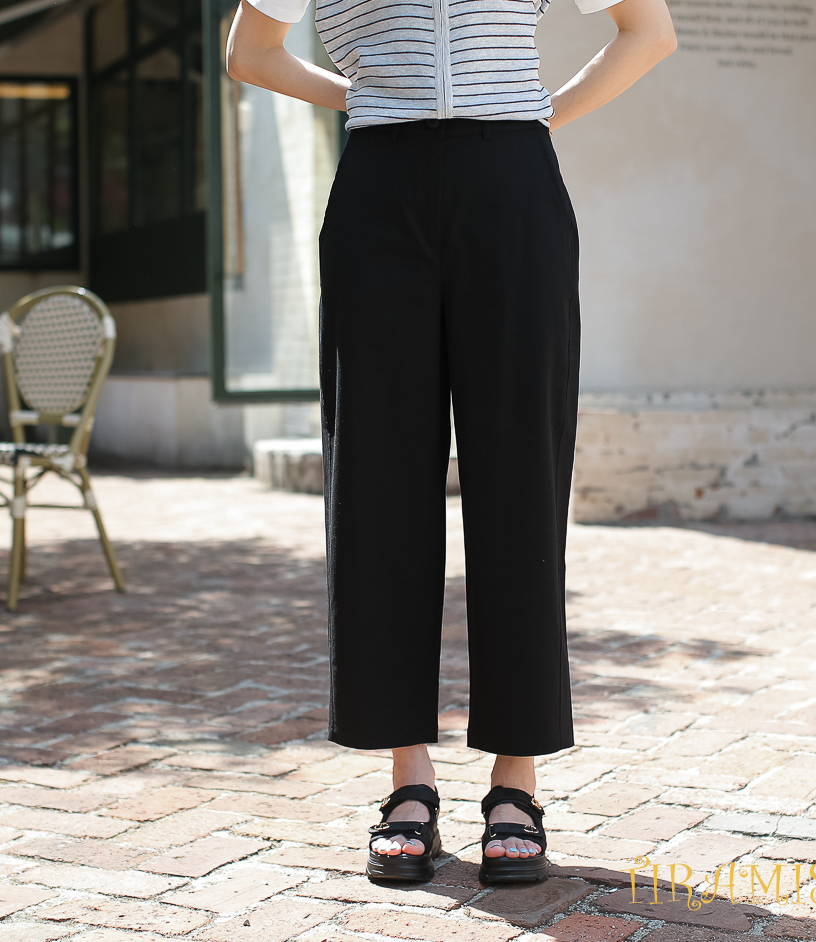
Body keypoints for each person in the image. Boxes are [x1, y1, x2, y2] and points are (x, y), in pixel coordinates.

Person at [227, 0, 675, 884]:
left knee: (521, 477)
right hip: (379, 193)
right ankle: (408, 781)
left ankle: (517, 783)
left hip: (513, 185)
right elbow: (250, 53)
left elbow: (648, 32)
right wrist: (361, 96)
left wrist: (538, 113)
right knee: (380, 481)